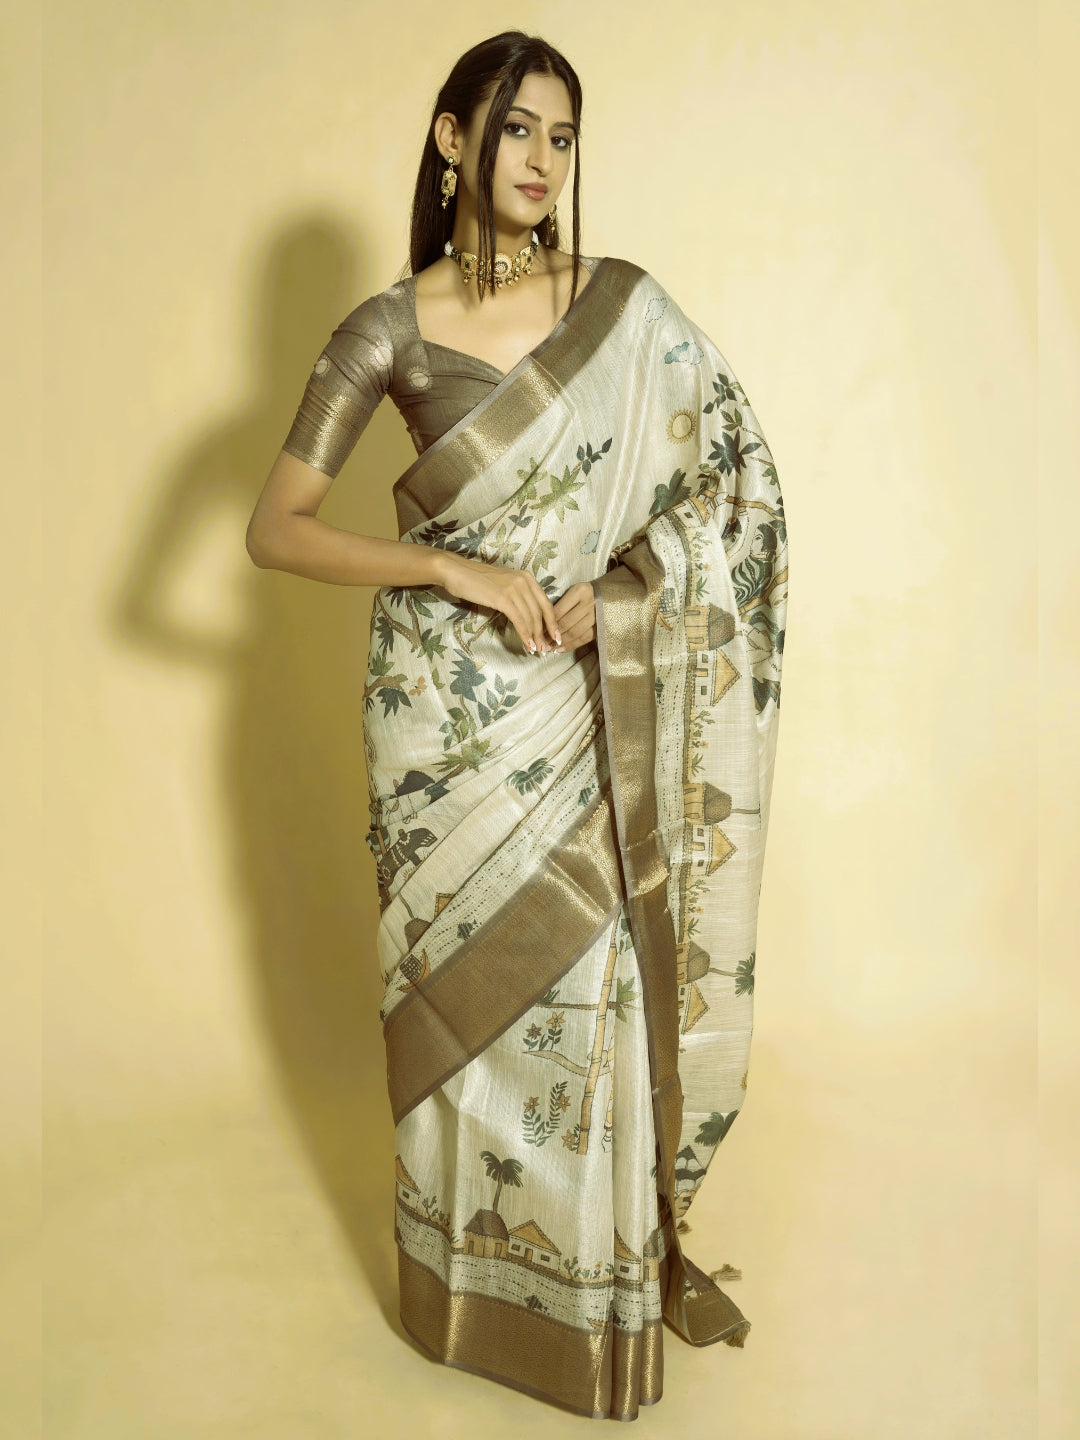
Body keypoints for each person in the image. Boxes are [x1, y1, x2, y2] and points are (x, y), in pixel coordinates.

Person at [246, 29, 788, 1423]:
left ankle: (587, 1305)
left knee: (587, 986)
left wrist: (628, 592)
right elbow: (276, 530)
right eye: (516, 129)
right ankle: (465, 1294)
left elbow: (736, 488)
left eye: (562, 135)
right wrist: (449, 570)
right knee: (462, 1009)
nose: (543, 160)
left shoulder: (624, 310)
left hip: (582, 690)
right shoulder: (386, 329)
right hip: (443, 721)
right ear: (452, 141)